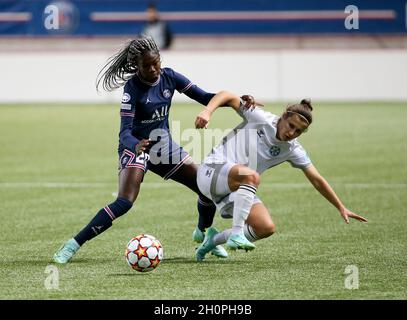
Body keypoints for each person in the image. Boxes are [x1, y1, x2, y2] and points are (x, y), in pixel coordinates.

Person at [52, 37, 256, 264]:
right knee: (124, 202)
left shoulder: (169, 76)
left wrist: (238, 100)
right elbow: (124, 133)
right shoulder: (132, 89)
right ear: (136, 67)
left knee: (206, 188)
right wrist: (135, 146)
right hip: (137, 147)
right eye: (146, 66)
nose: (153, 69)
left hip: (163, 146)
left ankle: (203, 233)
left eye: (155, 63)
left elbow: (206, 97)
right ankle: (73, 244)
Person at [194, 91, 367, 261]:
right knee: (252, 176)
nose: (292, 133)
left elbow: (317, 179)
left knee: (265, 227)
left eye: (298, 131)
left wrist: (341, 207)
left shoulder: (292, 149)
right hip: (211, 171)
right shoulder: (261, 118)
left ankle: (212, 241)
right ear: (284, 116)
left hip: (234, 187)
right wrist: (207, 111)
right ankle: (237, 233)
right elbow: (227, 95)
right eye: (291, 125)